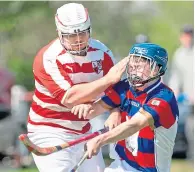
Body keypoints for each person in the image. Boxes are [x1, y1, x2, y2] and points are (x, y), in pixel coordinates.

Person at [27, 3, 128, 172]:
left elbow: (115, 92)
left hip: (84, 130)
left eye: (82, 33)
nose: (78, 39)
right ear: (59, 33)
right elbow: (70, 98)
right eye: (70, 36)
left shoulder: (102, 53)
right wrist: (107, 79)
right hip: (49, 128)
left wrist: (114, 112)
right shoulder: (48, 58)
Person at [72, 43, 179, 172]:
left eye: (141, 64)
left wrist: (100, 140)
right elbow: (94, 110)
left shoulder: (164, 97)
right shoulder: (125, 87)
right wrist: (86, 106)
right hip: (121, 164)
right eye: (133, 62)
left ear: (157, 68)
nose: (134, 68)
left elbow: (134, 125)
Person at [168, 24, 194, 160]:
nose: (187, 39)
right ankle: (192, 157)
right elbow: (176, 77)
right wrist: (174, 93)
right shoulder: (179, 54)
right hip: (189, 101)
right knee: (191, 129)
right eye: (185, 36)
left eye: (190, 36)